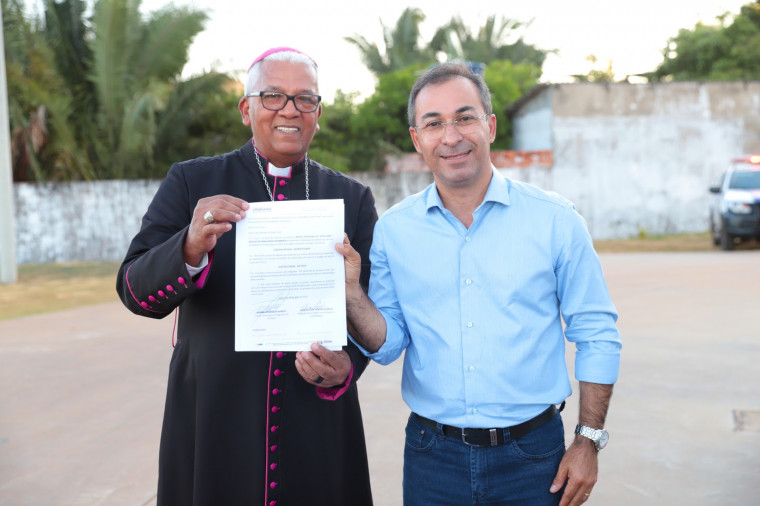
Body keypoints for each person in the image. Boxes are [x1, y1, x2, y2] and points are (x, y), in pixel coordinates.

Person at [336, 62, 622, 506]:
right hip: (433, 458)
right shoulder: (394, 230)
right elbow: (389, 345)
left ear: (489, 126)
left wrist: (588, 440)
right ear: (417, 140)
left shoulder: (555, 220)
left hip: (535, 457)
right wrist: (353, 295)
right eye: (434, 124)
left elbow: (597, 334)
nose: (451, 137)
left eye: (464, 118)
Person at [116, 47, 377, 506]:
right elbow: (134, 291)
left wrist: (347, 367)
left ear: (318, 112)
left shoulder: (350, 197)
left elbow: (371, 310)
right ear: (246, 108)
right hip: (214, 413)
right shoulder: (192, 182)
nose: (290, 110)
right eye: (273, 96)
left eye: (305, 99)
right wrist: (189, 246)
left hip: (314, 420)